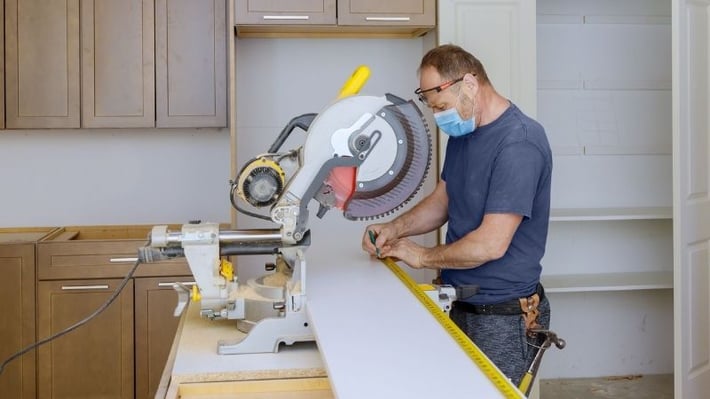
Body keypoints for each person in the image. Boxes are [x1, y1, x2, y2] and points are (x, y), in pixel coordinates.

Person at [362, 44, 553, 386]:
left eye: (442, 107)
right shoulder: (464, 133)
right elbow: (444, 200)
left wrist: (422, 257)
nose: (439, 117)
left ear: (469, 83)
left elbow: (491, 245)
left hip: (502, 316)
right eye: (434, 109)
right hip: (459, 302)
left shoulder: (519, 143)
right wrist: (396, 228)